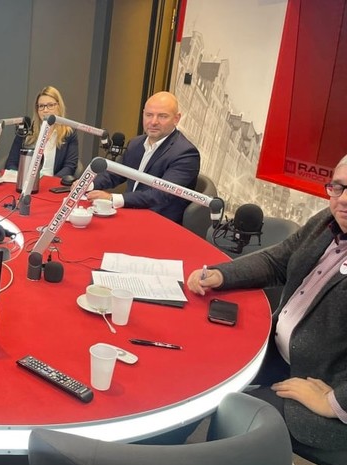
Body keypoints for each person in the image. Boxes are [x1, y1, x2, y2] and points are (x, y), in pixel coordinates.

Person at [185, 154, 347, 464]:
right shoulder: (326, 222)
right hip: (280, 351)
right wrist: (223, 274)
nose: (343, 200)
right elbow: (277, 261)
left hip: (323, 383)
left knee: (233, 417)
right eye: (338, 187)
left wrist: (334, 402)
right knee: (204, 370)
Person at [86, 91, 199, 223]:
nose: (153, 122)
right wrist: (88, 184)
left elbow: (161, 195)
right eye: (149, 115)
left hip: (158, 221)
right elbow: (116, 173)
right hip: (130, 213)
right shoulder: (136, 143)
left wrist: (112, 198)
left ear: (176, 119)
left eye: (162, 116)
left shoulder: (186, 153)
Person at [4, 86, 78, 178]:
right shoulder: (26, 130)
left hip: (51, 182)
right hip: (24, 181)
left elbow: (70, 166)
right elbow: (11, 163)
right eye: (41, 106)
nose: (45, 110)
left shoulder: (69, 133)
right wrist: (20, 179)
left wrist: (50, 182)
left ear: (59, 106)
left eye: (50, 105)